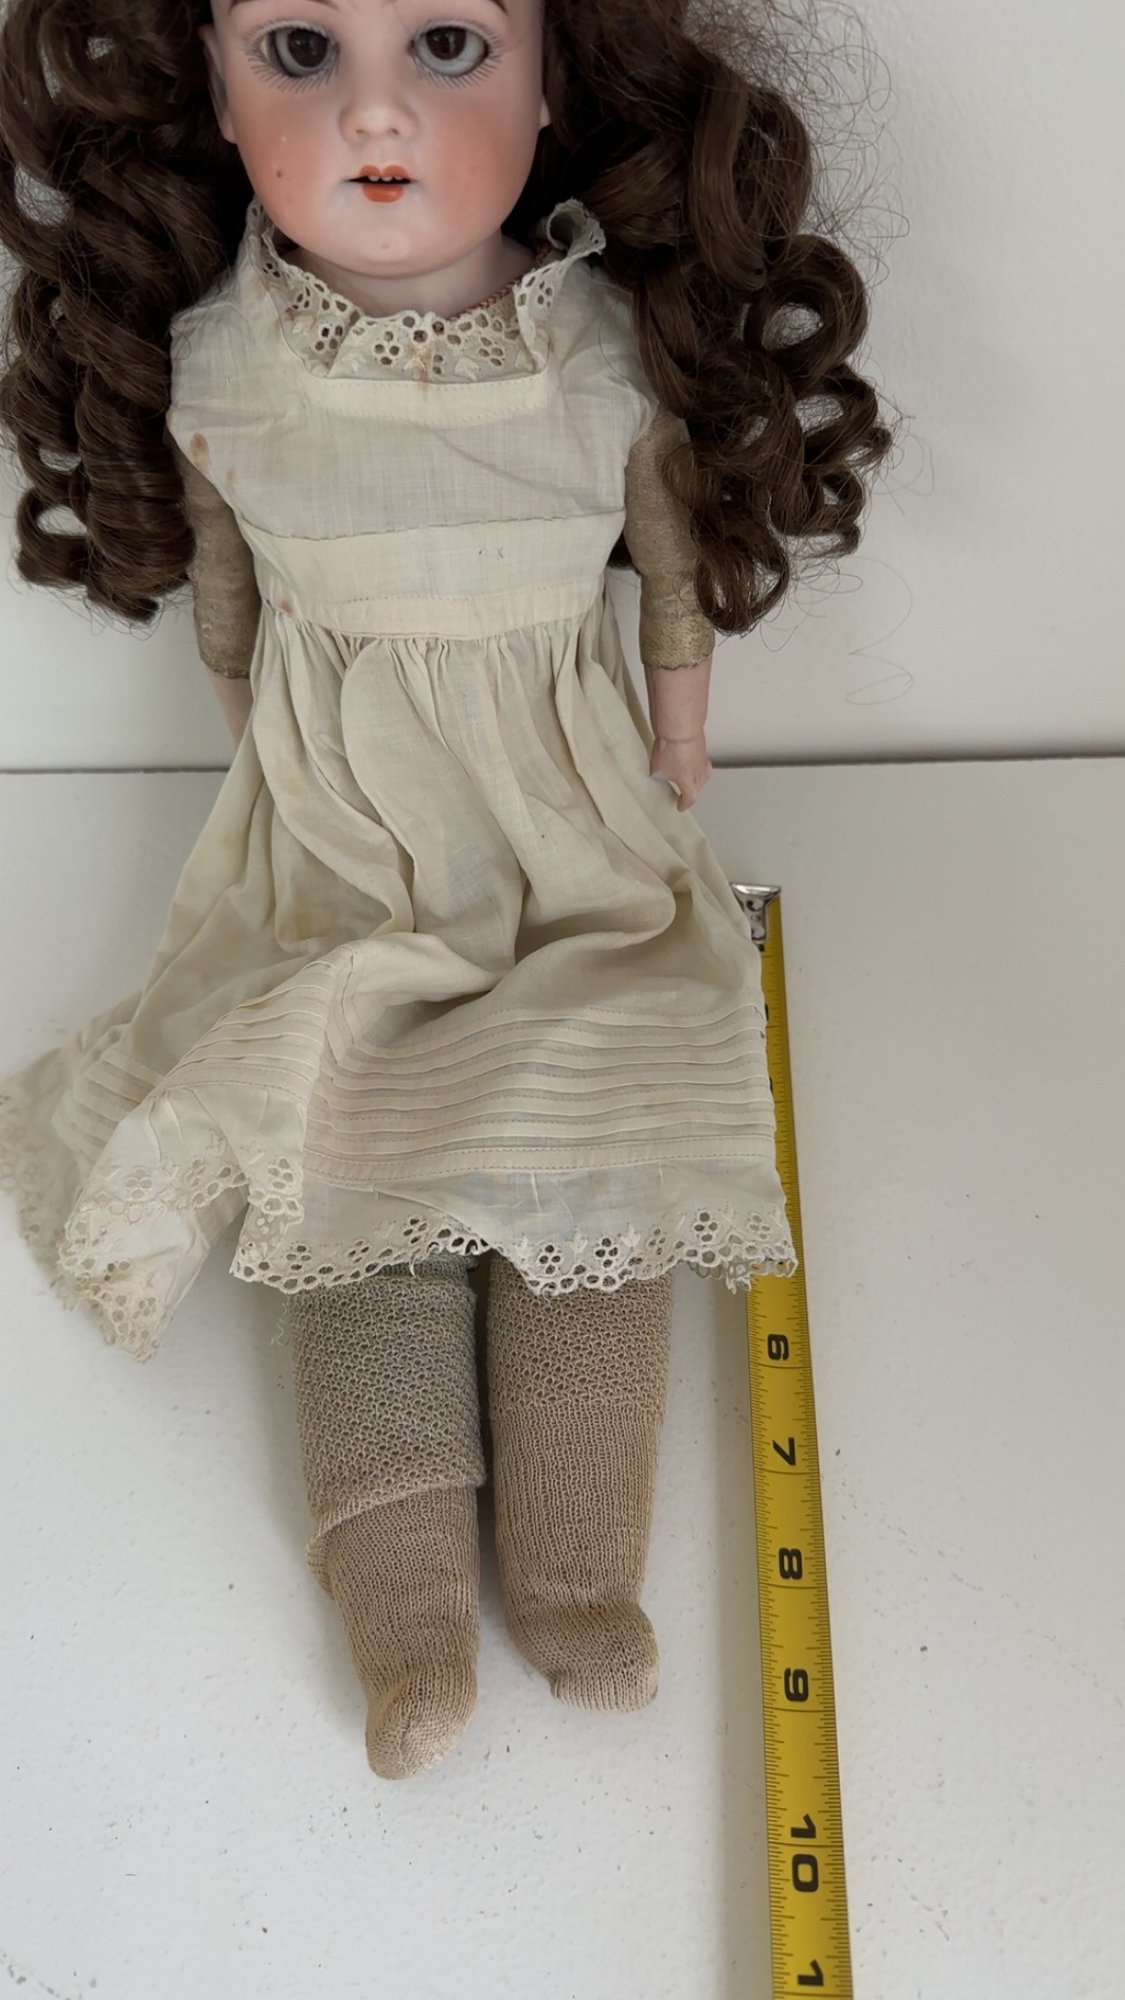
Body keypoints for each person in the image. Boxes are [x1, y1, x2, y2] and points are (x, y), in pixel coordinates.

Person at [0, 0, 892, 1778]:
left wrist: (681, 740)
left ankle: (575, 1572)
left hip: (571, 836)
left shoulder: (606, 357)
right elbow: (231, 600)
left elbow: (666, 575)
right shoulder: (219, 364)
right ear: (211, 86)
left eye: (449, 44)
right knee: (351, 1173)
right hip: (345, 842)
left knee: (594, 1165)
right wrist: (264, 756)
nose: (375, 113)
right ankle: (402, 1598)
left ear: (555, 74)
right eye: (299, 50)